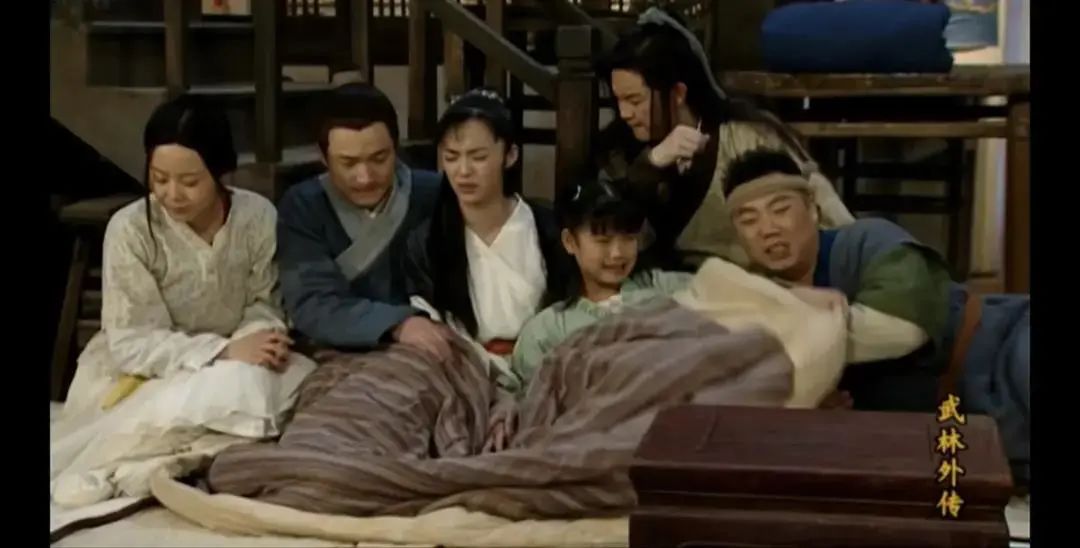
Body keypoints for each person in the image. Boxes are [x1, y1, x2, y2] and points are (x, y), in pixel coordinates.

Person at [50, 96, 315, 507]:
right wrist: (220, 352)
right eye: (159, 179)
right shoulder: (131, 230)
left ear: (220, 171)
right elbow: (132, 340)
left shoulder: (257, 216)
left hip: (239, 356)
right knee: (187, 403)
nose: (172, 194)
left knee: (272, 385)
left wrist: (256, 341)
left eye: (190, 181)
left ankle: (153, 466)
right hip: (148, 369)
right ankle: (126, 465)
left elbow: (265, 301)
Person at [723, 147, 1030, 486]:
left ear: (812, 209)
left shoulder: (866, 240)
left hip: (1002, 348)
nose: (767, 229)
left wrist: (797, 350)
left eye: (780, 210)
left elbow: (901, 329)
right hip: (957, 428)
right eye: (748, 221)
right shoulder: (756, 302)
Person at [595, 7, 854, 271]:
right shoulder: (620, 151)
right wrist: (650, 166)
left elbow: (825, 212)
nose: (625, 113)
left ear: (678, 93)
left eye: (635, 100)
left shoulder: (745, 139)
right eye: (619, 100)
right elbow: (606, 238)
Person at [403, 88, 568, 393]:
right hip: (463, 375)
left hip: (550, 368)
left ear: (510, 155)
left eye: (478, 157)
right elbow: (429, 326)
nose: (463, 171)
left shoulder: (547, 228)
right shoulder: (428, 240)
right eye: (451, 157)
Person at [277, 82, 453, 359]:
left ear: (395, 147)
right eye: (348, 163)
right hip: (336, 351)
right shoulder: (302, 206)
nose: (365, 177)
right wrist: (398, 324)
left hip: (430, 344)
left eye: (379, 159)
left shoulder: (433, 193)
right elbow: (312, 303)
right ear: (324, 157)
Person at [511, 178, 691, 387]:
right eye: (603, 241)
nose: (617, 253)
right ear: (570, 241)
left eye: (628, 238)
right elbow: (531, 397)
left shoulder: (667, 288)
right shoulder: (545, 332)